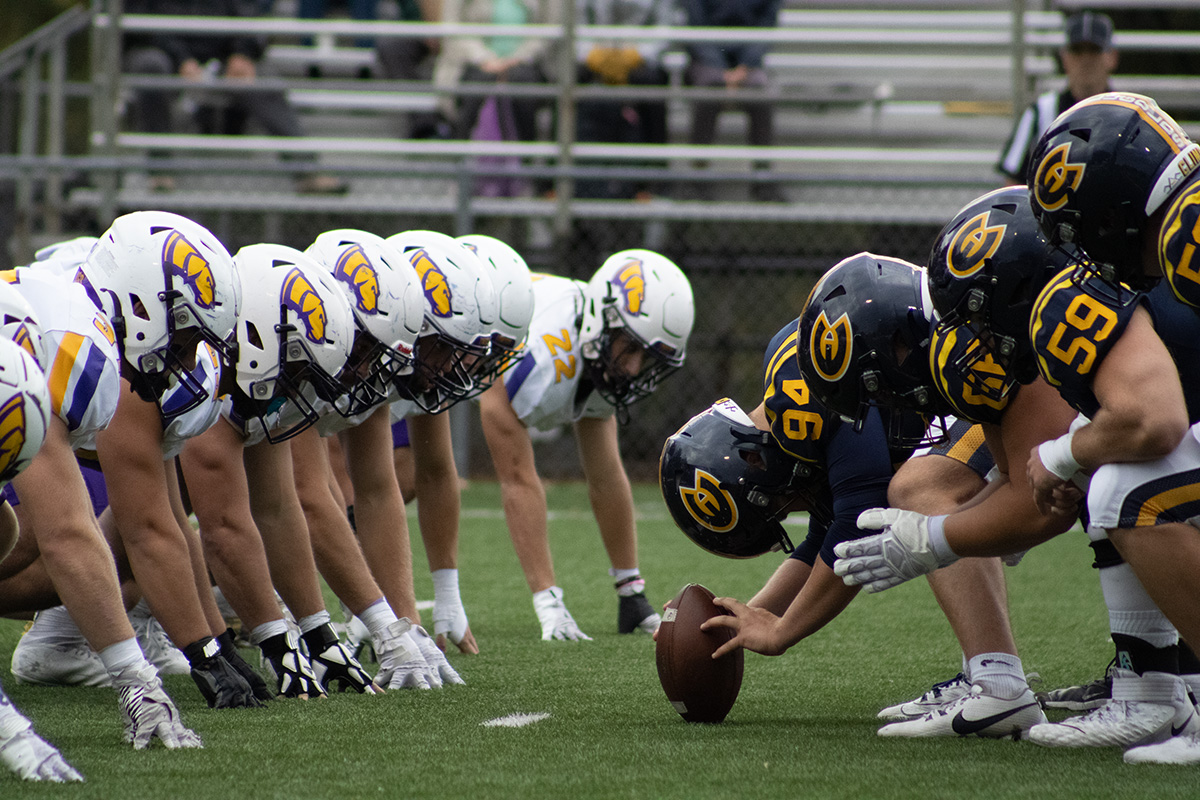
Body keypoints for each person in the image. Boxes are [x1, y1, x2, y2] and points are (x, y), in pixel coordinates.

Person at [697, 253, 1053, 738]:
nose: (786, 506)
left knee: (922, 488)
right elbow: (830, 530)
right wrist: (752, 617)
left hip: (1005, 384)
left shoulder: (798, 395)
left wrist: (780, 631)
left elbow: (854, 518)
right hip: (988, 387)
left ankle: (998, 682)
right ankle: (1007, 672)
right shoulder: (794, 379)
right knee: (931, 489)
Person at [478, 249, 693, 640]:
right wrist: (548, 601)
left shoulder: (597, 346)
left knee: (608, 466)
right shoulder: (541, 355)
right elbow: (516, 478)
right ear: (602, 321)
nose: (632, 367)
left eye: (646, 356)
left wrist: (634, 595)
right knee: (405, 474)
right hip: (444, 339)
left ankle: (630, 592)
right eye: (630, 346)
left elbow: (606, 476)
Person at [377, 230, 522, 655]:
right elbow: (324, 489)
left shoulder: (428, 360)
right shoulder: (363, 345)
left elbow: (438, 473)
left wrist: (447, 595)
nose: (469, 366)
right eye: (453, 346)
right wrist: (375, 611)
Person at [123, 0, 347, 194]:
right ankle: (160, 170)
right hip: (163, 52)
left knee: (264, 81)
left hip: (222, 55)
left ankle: (306, 171)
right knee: (150, 66)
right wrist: (181, 58)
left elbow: (253, 18)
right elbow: (135, 20)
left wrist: (243, 53)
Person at [996, 11, 1118, 184]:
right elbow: (1012, 182)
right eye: (1077, 50)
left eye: (1094, 50)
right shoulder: (1041, 112)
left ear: (1112, 57)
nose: (1085, 59)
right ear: (1065, 58)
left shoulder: (1126, 113)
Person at [681, 0, 784, 203]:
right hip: (707, 60)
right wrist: (721, 70)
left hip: (747, 64)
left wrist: (744, 66)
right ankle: (697, 179)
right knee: (710, 89)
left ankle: (762, 180)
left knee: (759, 91)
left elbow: (767, 27)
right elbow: (695, 27)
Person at [574, 0, 675, 200]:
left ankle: (653, 181)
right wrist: (592, 55)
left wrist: (637, 54)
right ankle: (557, 183)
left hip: (640, 58)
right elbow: (576, 22)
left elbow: (668, 24)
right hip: (596, 57)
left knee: (651, 83)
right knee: (566, 80)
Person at [433, 0, 562, 142]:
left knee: (523, 85)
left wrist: (518, 58)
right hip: (472, 62)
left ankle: (524, 156)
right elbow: (451, 26)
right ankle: (463, 153)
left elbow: (551, 27)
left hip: (529, 62)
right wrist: (484, 58)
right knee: (477, 85)